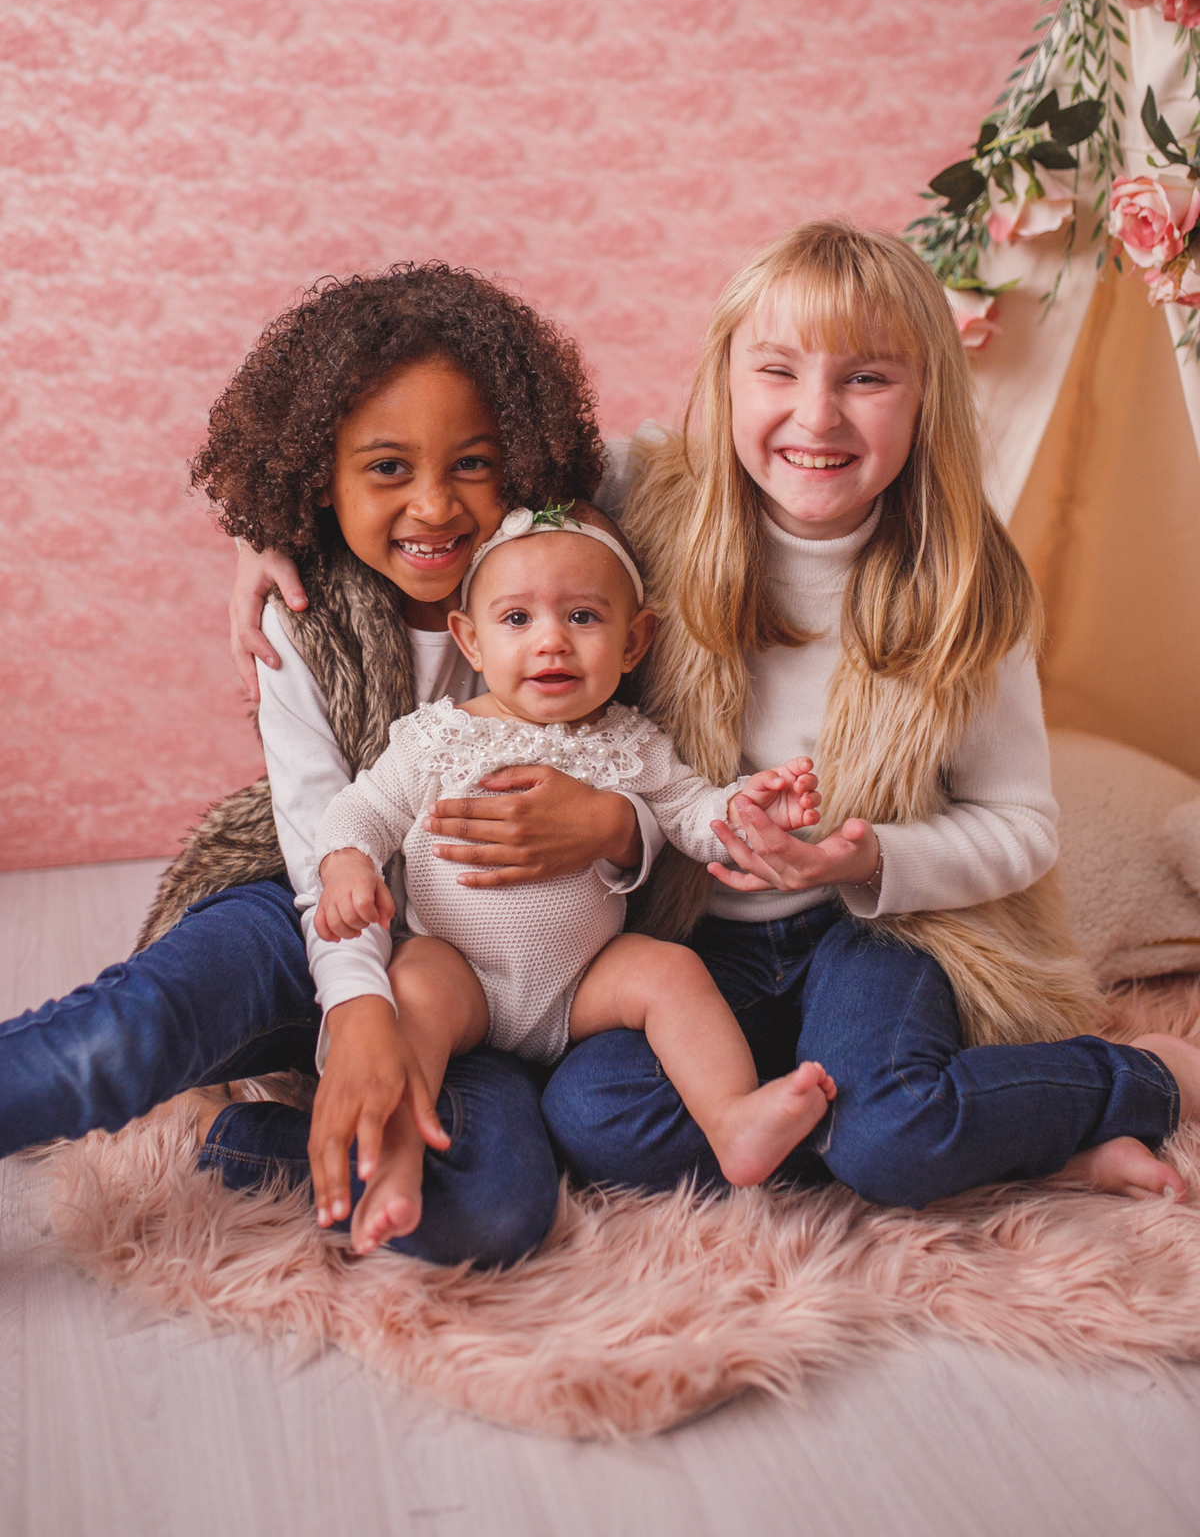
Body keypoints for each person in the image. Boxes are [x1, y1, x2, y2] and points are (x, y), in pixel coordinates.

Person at [235, 222, 1200, 1209]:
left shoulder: (966, 587)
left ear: (927, 395)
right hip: (707, 940)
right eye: (777, 371)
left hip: (872, 933)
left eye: (867, 379)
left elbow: (1022, 829)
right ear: (727, 381)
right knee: (594, 1118)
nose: (816, 416)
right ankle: (966, 1132)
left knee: (889, 1134)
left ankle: (1138, 1080)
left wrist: (862, 858)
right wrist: (276, 535)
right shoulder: (651, 495)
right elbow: (478, 488)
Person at [0, 263, 663, 1268]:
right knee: (127, 1035)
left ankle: (237, 1136)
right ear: (321, 478)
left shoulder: (570, 570)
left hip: (477, 980)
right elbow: (320, 844)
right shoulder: (301, 621)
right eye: (387, 467)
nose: (434, 504)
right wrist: (356, 1006)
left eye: (475, 463)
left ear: (527, 463)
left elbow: (655, 459)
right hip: (305, 905)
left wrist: (618, 827)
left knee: (494, 1212)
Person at [309, 500, 836, 1250]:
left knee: (671, 971)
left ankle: (732, 1121)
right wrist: (348, 866)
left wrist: (746, 808)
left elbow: (691, 815)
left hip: (581, 982)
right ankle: (394, 1163)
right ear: (471, 639)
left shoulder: (631, 743)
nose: (551, 640)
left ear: (634, 641)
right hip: (462, 970)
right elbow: (363, 809)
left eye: (583, 617)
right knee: (413, 992)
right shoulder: (440, 738)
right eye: (517, 619)